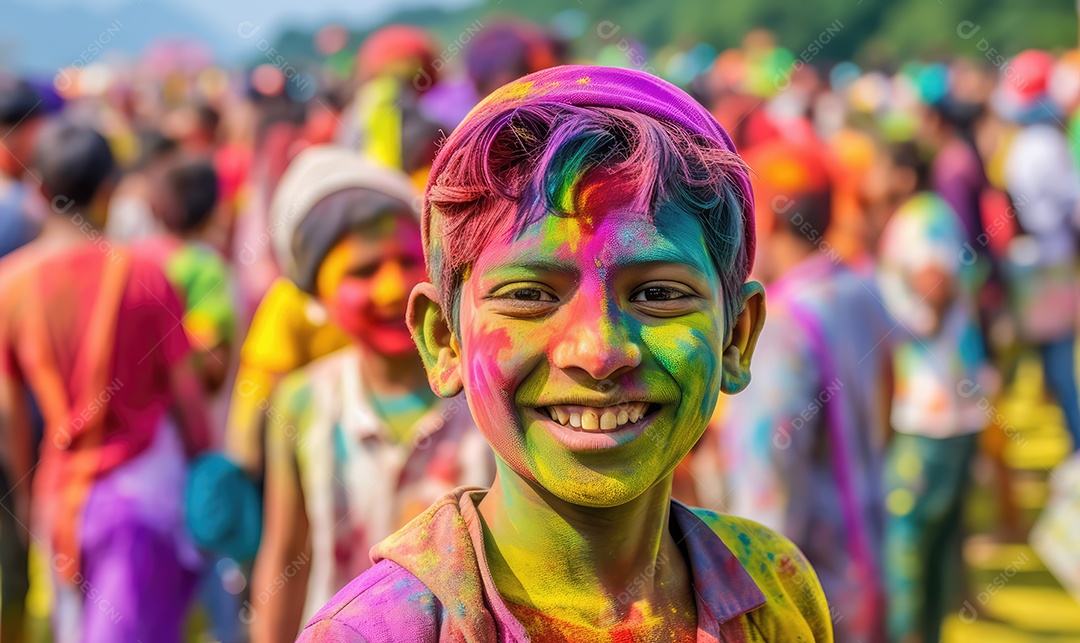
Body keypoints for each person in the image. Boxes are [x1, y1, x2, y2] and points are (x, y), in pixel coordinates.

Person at [298, 65, 832, 641]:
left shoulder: (775, 591)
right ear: (444, 340)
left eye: (658, 295)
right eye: (529, 295)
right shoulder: (376, 632)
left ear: (735, 337)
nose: (598, 352)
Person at [248, 146, 494, 642]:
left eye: (406, 261)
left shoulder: (487, 385)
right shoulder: (303, 402)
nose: (391, 289)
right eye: (362, 272)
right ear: (317, 294)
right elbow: (287, 554)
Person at [0, 120, 211, 642]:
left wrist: (27, 498)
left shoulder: (12, 286)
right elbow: (186, 397)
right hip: (147, 491)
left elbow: (9, 415)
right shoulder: (146, 273)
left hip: (62, 496)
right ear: (109, 189)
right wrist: (206, 466)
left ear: (38, 191)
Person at [719, 141, 892, 641]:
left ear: (765, 223)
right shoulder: (861, 291)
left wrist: (751, 594)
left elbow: (769, 475)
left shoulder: (781, 324)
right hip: (866, 553)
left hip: (805, 584)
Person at [875, 142, 994, 643]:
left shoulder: (919, 220)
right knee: (940, 542)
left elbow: (937, 285)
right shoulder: (937, 213)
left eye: (882, 167)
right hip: (954, 402)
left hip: (930, 406)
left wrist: (905, 329)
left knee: (908, 544)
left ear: (903, 175)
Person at [995, 50, 1080, 453]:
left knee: (1047, 361)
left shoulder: (1022, 144)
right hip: (1052, 262)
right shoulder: (1047, 144)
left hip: (1032, 261)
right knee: (1059, 362)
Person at [138, 156, 236, 393]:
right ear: (213, 209)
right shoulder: (205, 267)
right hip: (180, 401)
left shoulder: (135, 255)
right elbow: (211, 361)